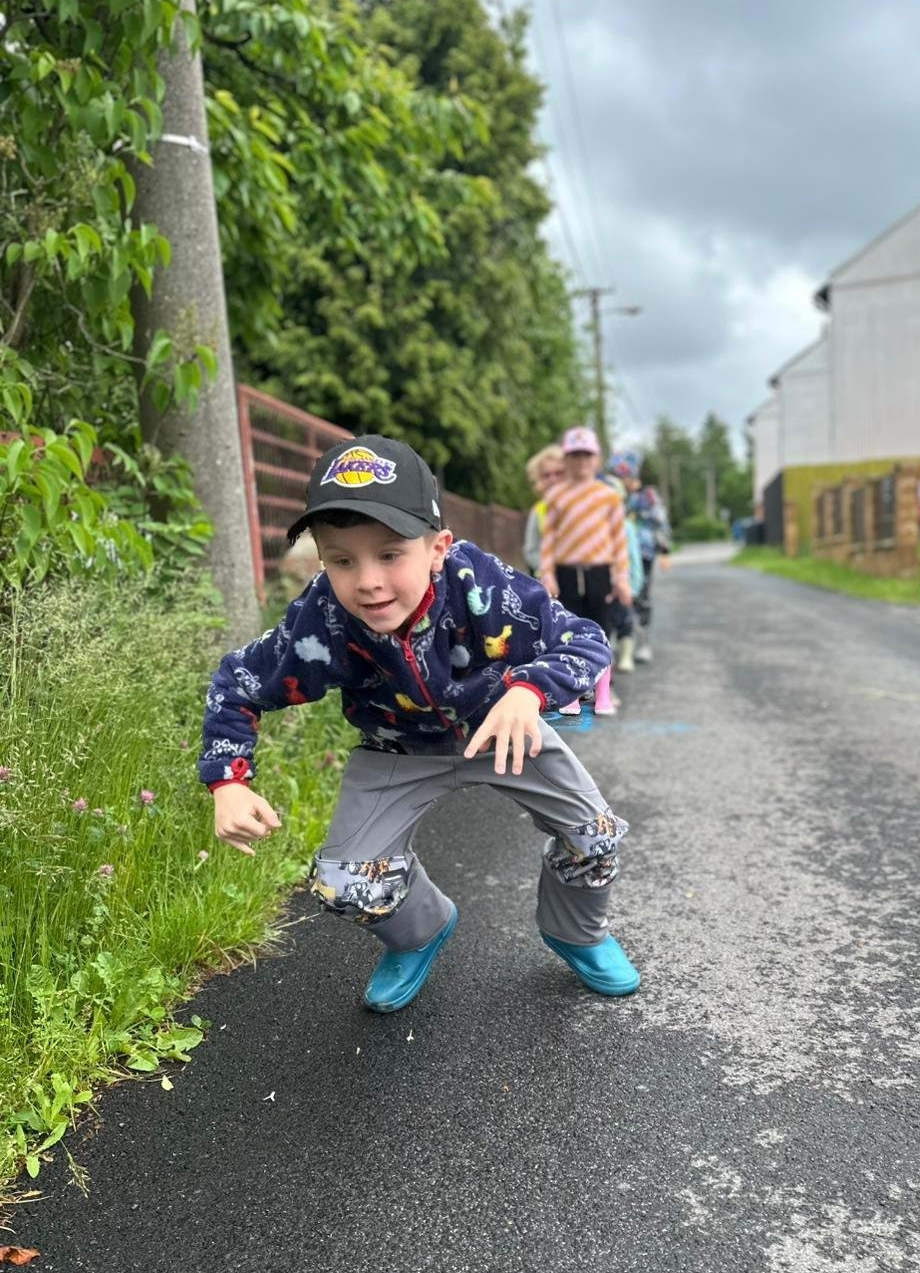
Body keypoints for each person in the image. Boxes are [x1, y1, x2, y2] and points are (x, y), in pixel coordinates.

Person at [199, 433, 640, 1013]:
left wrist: (528, 691)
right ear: (322, 559)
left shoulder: (481, 587)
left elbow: (584, 639)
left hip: (501, 729)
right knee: (345, 882)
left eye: (390, 555)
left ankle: (576, 933)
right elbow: (237, 684)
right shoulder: (323, 617)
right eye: (342, 560)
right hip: (395, 749)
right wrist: (228, 781)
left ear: (437, 548)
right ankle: (420, 929)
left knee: (595, 836)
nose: (368, 581)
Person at [538, 425, 631, 717]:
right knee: (567, 632)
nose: (581, 462)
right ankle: (571, 691)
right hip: (565, 572)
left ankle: (605, 689)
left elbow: (619, 540)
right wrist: (547, 573)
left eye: (587, 455)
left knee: (602, 630)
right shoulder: (556, 496)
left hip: (600, 572)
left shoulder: (608, 497)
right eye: (575, 455)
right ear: (566, 459)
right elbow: (549, 539)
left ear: (597, 459)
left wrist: (622, 577)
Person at [611, 454, 671, 664]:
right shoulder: (612, 493)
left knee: (641, 597)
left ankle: (643, 642)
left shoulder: (647, 496)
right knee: (615, 597)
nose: (621, 480)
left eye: (624, 476)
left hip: (643, 552)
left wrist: (664, 551)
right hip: (616, 552)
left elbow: (660, 522)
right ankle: (619, 639)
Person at [603, 452, 646, 675]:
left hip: (624, 583)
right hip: (602, 585)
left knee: (625, 620)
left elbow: (634, 558)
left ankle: (627, 655)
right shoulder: (595, 528)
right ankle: (605, 660)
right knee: (604, 623)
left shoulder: (627, 526)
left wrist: (635, 584)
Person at [522, 444, 565, 577]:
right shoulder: (538, 511)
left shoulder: (583, 506)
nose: (553, 479)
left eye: (559, 473)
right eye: (546, 475)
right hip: (548, 579)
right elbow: (531, 551)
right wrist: (548, 569)